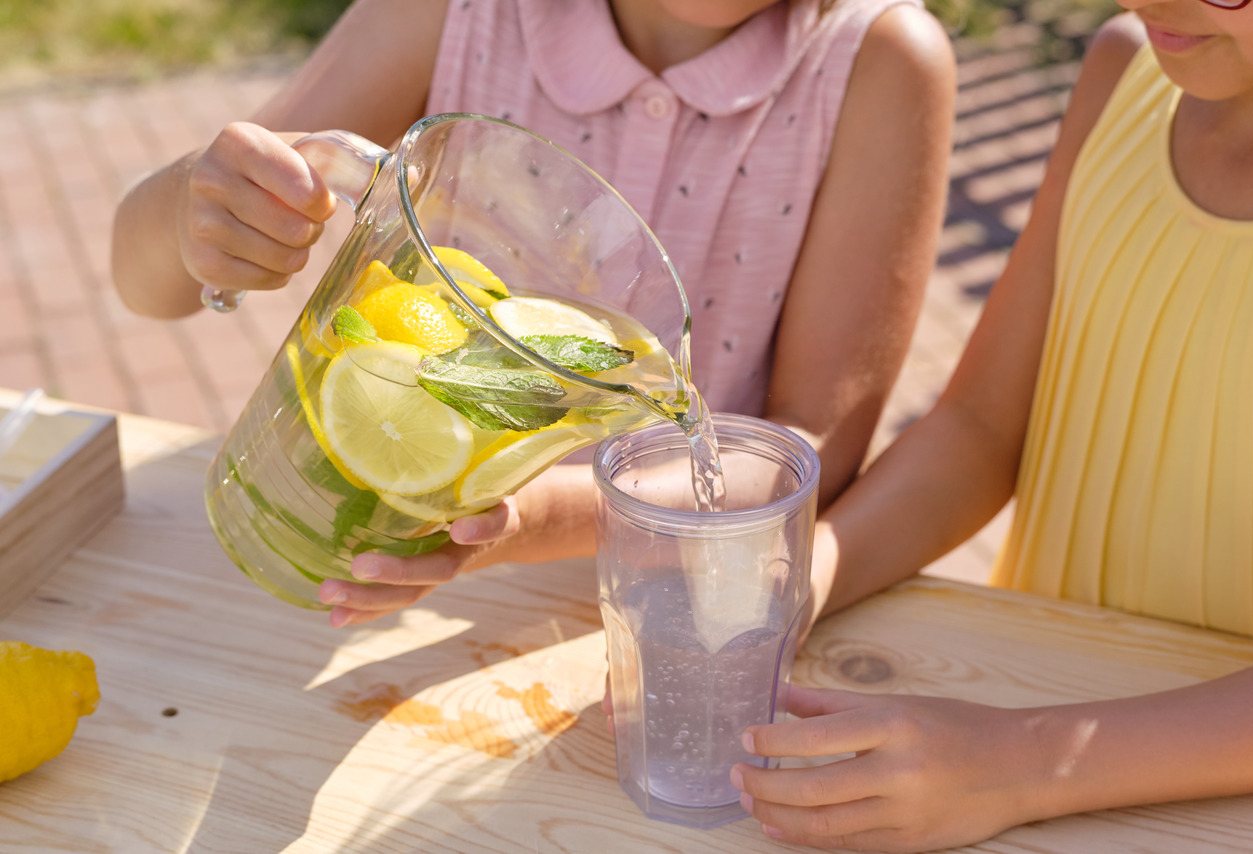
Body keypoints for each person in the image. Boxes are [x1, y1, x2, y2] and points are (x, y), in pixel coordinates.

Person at [111, 0, 956, 626]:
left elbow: (811, 441)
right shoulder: (457, 13)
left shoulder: (878, 60)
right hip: (299, 553)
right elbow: (151, 281)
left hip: (639, 619)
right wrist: (197, 209)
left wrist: (525, 520)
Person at [727, 1, 1253, 850]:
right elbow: (982, 427)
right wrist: (797, 581)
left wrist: (1022, 764)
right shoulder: (1123, 73)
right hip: (1023, 705)